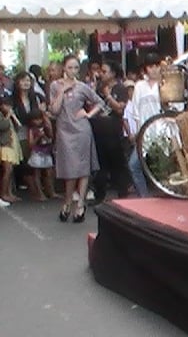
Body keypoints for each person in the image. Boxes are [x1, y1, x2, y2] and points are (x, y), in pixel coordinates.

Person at [50, 54, 106, 222]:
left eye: (76, 67)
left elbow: (100, 102)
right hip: (64, 131)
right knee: (70, 169)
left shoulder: (82, 87)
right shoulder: (55, 85)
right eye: (69, 67)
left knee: (83, 168)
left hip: (82, 130)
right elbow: (54, 110)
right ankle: (67, 201)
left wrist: (88, 114)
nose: (73, 71)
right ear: (63, 68)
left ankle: (80, 203)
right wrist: (62, 91)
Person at [91, 61, 131, 203]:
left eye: (104, 71)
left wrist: (108, 95)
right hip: (99, 130)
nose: (101, 74)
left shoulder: (120, 88)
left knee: (118, 163)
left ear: (113, 73)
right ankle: (99, 194)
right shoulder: (99, 88)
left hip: (113, 131)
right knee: (100, 164)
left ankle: (122, 193)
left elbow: (119, 109)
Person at [128, 53, 163, 198]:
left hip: (162, 131)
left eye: (156, 66)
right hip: (145, 131)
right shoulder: (139, 86)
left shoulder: (167, 83)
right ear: (145, 69)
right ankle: (144, 197)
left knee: (164, 167)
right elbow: (135, 111)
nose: (154, 70)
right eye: (150, 66)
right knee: (134, 165)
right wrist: (136, 131)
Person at [26, 109, 54, 201]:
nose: (38, 121)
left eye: (39, 119)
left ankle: (51, 191)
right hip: (37, 152)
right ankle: (39, 193)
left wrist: (47, 125)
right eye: (35, 119)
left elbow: (51, 136)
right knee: (37, 174)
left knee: (49, 173)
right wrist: (38, 137)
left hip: (46, 151)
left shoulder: (45, 126)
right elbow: (30, 144)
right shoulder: (31, 130)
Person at [0, 96, 23, 204]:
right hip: (5, 145)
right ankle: (3, 193)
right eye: (6, 105)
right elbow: (2, 126)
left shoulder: (9, 116)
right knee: (7, 170)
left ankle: (9, 193)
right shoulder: (1, 116)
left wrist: (13, 118)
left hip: (12, 144)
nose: (8, 107)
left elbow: (19, 127)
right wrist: (8, 116)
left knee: (11, 171)